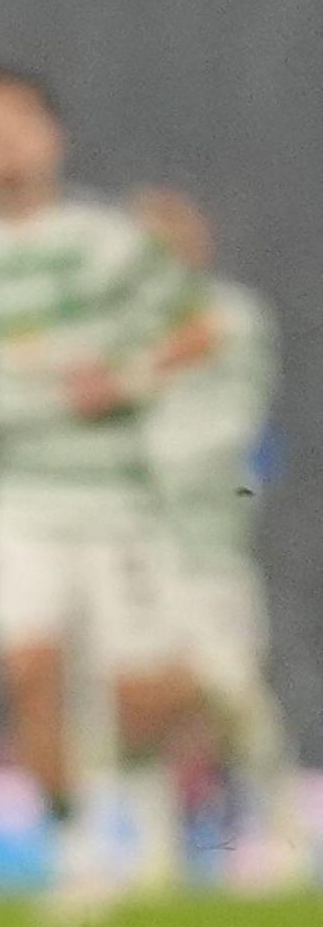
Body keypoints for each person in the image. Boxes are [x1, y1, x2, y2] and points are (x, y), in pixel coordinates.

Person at [0, 70, 207, 908]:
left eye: (11, 122)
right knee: (28, 672)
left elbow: (197, 330)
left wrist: (124, 377)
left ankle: (147, 802)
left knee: (144, 695)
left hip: (123, 497)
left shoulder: (107, 241)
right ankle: (77, 854)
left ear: (51, 137)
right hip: (24, 498)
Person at [128, 189, 305, 889]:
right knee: (146, 703)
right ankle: (156, 854)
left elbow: (203, 373)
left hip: (211, 542)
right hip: (140, 543)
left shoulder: (232, 316)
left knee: (233, 692)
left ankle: (285, 834)